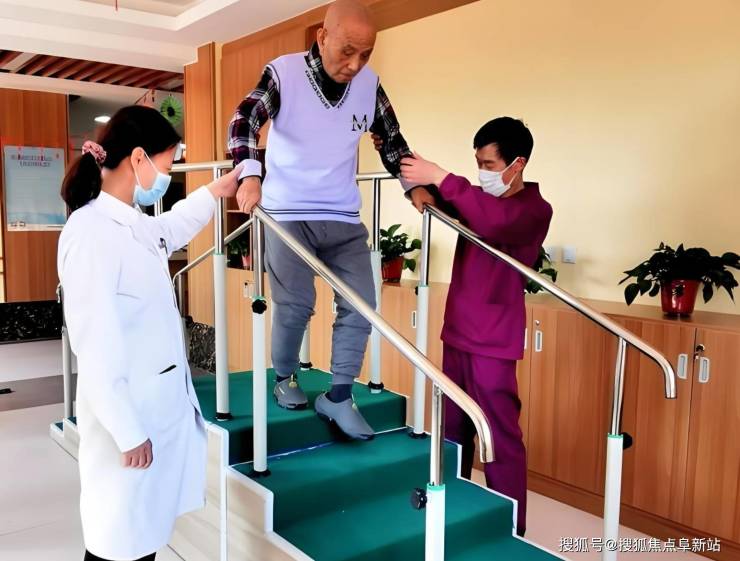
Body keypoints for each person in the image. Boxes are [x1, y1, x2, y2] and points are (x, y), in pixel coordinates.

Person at [227, 0, 434, 440]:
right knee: (297, 304)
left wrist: (412, 186)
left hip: (341, 215)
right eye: (347, 51)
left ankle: (339, 397)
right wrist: (250, 173)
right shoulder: (283, 73)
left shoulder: (369, 85)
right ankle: (285, 376)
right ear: (322, 37)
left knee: (362, 304)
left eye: (366, 54)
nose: (355, 64)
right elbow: (244, 120)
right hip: (287, 213)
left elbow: (392, 140)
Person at [58, 105, 242, 561]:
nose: (167, 175)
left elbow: (170, 228)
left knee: (141, 539)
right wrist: (127, 431)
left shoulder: (132, 223)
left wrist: (216, 190)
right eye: (167, 164)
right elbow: (94, 346)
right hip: (127, 424)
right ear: (138, 158)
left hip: (150, 415)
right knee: (117, 543)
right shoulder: (90, 232)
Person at [399, 117, 553, 537]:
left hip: (494, 340)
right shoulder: (479, 199)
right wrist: (417, 186)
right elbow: (447, 201)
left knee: (498, 437)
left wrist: (440, 176)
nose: (482, 172)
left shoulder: (534, 210)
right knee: (453, 431)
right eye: (478, 164)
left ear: (517, 164)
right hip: (458, 331)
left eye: (488, 164)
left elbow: (494, 222)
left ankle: (510, 528)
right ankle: (453, 512)